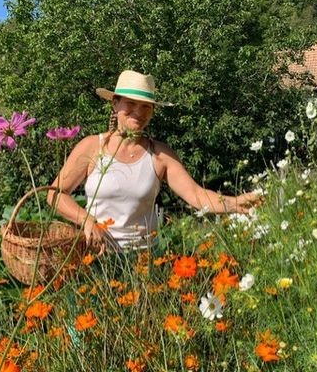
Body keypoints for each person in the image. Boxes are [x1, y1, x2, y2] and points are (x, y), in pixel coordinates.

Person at [48, 70, 260, 254]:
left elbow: (196, 195)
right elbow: (54, 194)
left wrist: (236, 203)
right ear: (115, 104)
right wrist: (87, 221)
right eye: (131, 103)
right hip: (97, 257)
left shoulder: (160, 155)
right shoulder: (92, 147)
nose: (139, 112)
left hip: (144, 262)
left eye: (146, 107)